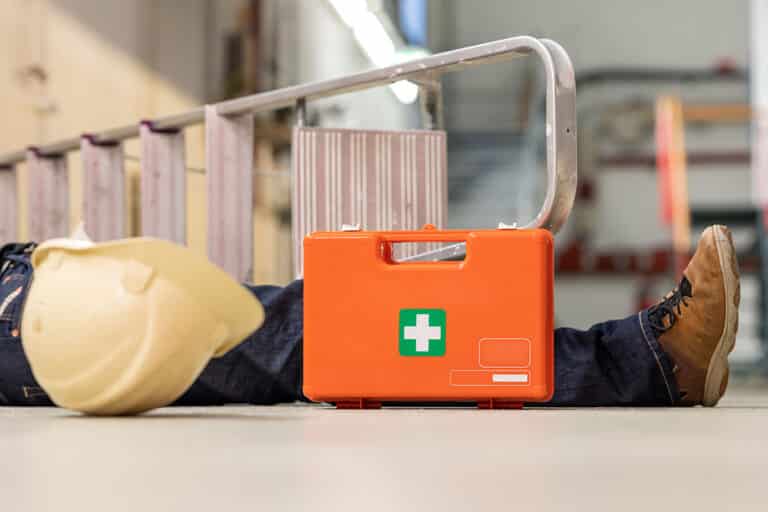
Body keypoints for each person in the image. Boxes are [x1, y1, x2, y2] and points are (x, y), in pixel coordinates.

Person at [0, 225, 739, 408]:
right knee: (319, 339)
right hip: (21, 314)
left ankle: (650, 363)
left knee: (302, 331)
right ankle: (650, 364)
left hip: (27, 274)